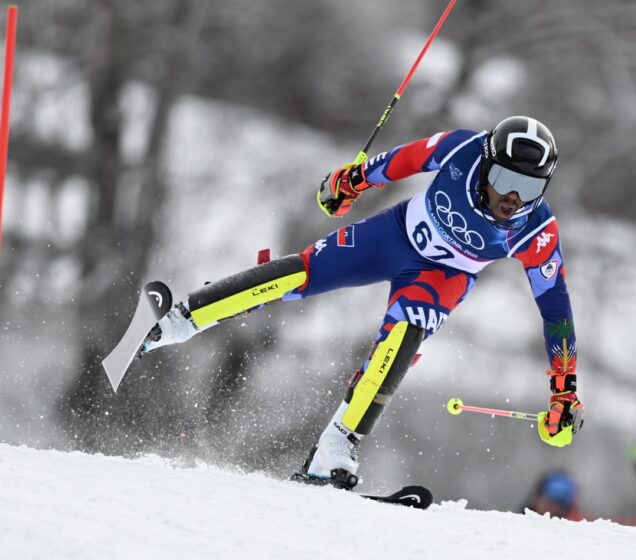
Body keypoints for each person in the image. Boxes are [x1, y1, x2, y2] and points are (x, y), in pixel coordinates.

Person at [140, 116, 585, 488]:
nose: (513, 197)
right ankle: (179, 320)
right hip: (392, 237)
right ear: (486, 164)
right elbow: (404, 160)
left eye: (529, 186)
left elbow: (556, 312)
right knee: (299, 273)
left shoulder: (538, 231)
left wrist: (564, 391)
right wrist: (350, 181)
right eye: (505, 180)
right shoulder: (463, 149)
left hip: (439, 278)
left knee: (405, 334)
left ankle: (337, 446)